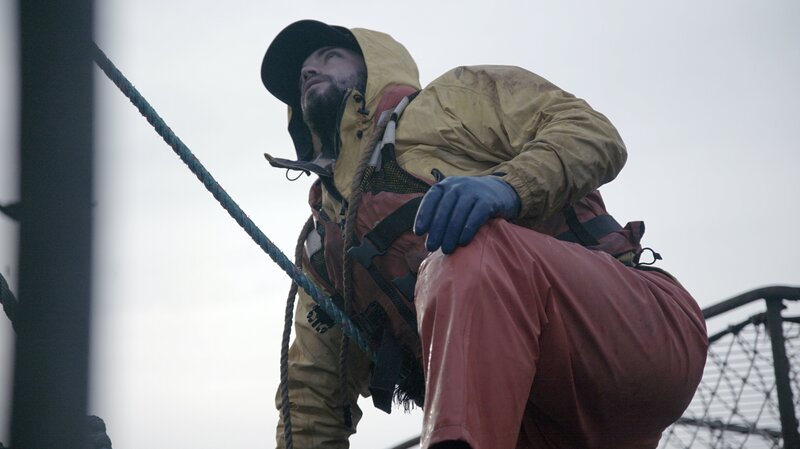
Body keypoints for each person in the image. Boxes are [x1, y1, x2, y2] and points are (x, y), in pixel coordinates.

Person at [260, 20, 708, 449]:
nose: (310, 70)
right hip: (529, 423)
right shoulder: (324, 253)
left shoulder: (451, 102)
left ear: (374, 64)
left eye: (330, 55)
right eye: (303, 72)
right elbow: (311, 395)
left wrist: (507, 187)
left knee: (463, 246)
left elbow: (594, 134)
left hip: (632, 340)